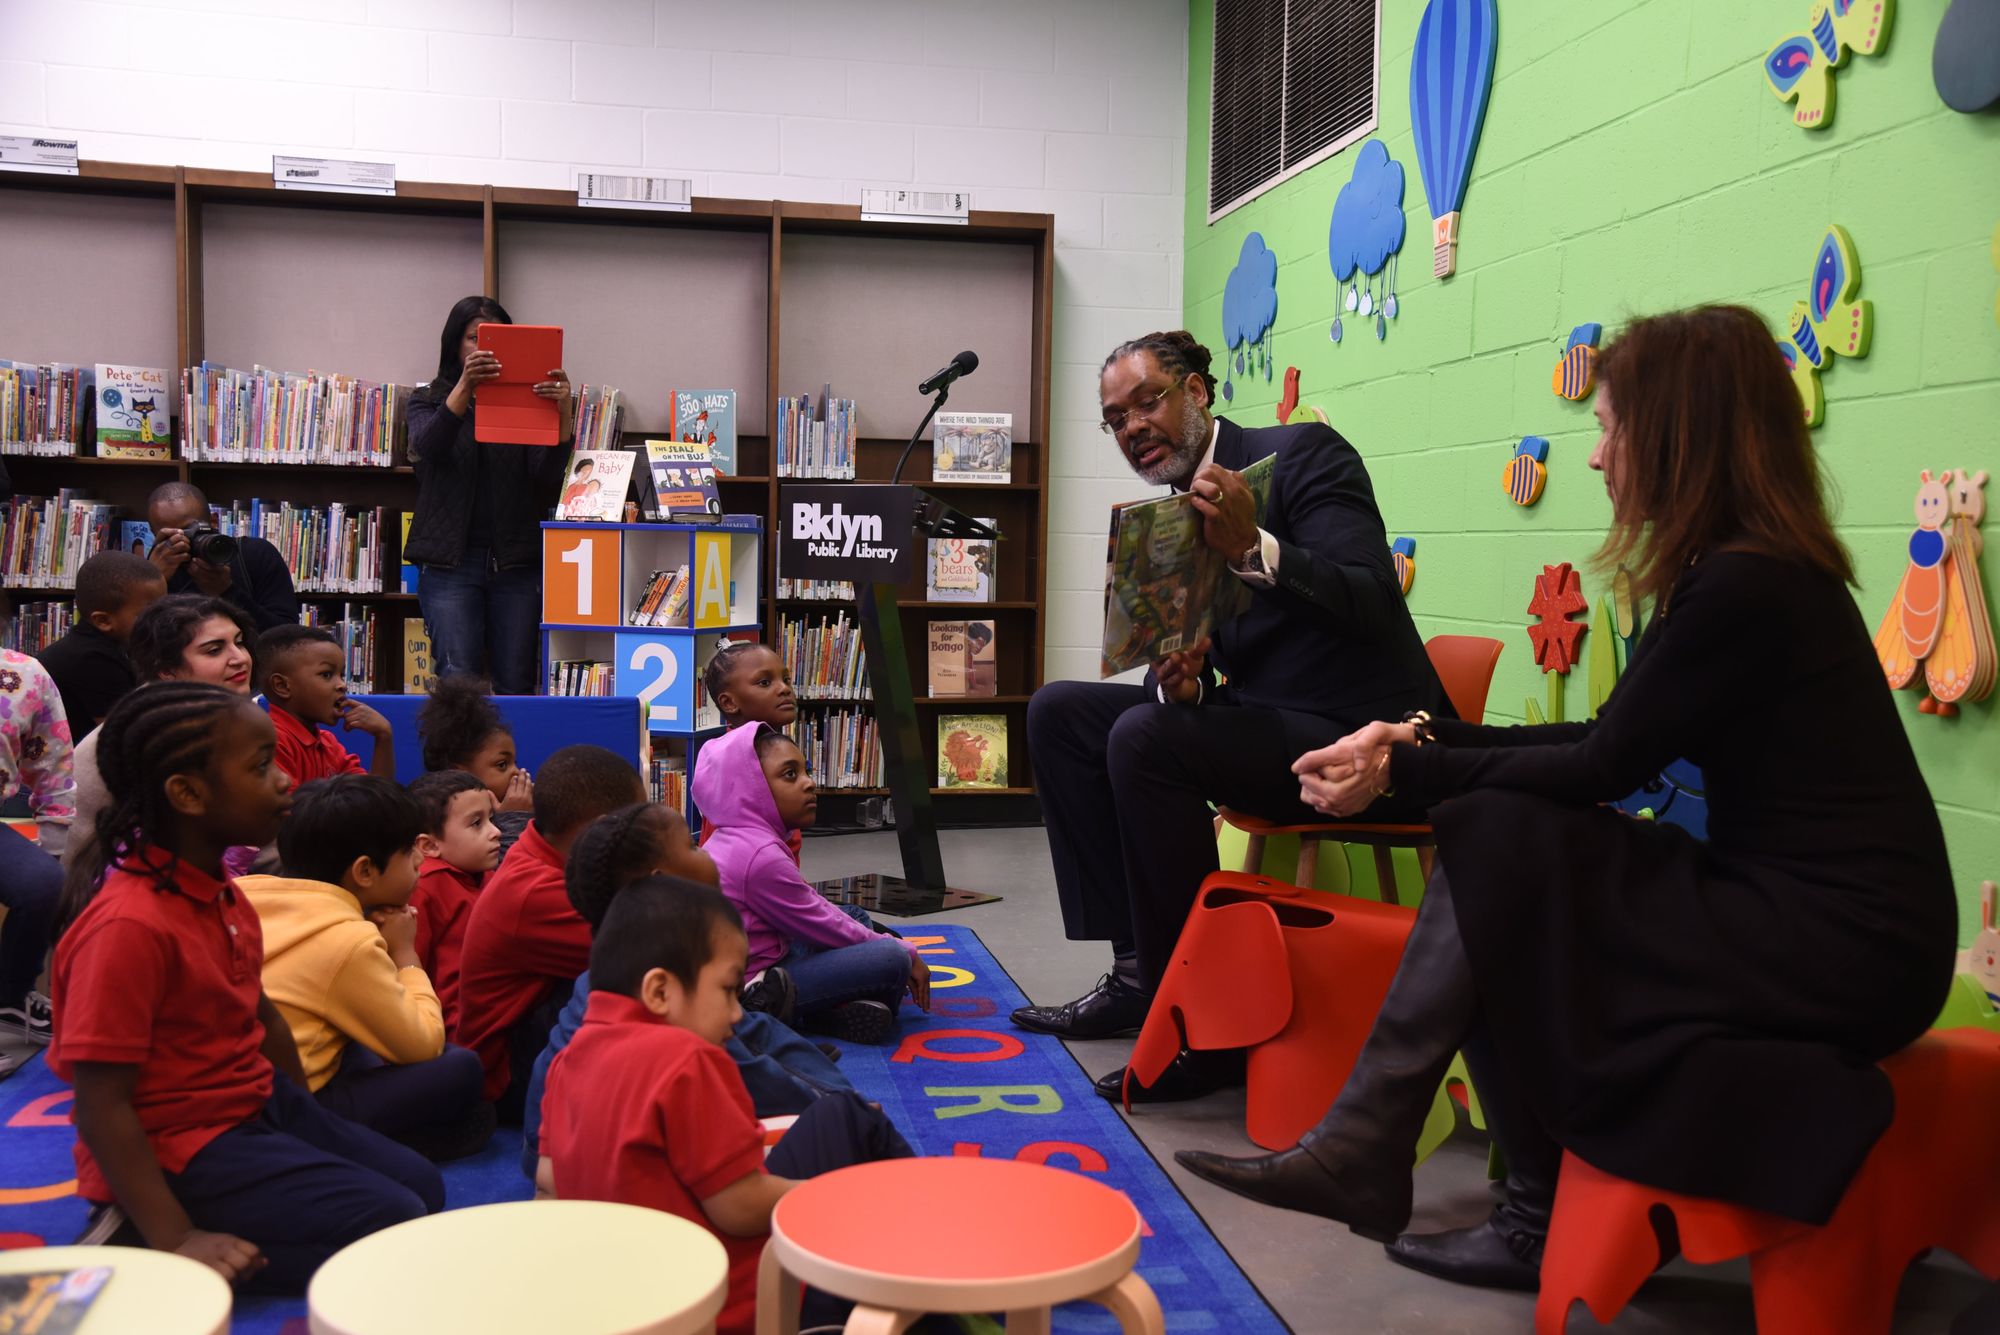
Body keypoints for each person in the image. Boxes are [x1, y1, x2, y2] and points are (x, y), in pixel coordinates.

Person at [1173, 306, 1960, 1295]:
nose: (1595, 459)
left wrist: (1408, 765)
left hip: (1848, 944)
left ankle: (1419, 1170)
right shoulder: (1741, 576)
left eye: (1609, 427)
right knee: (1499, 841)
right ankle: (1428, 1174)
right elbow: (1597, 745)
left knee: (1503, 840)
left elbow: (1598, 764)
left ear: (1673, 436)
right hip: (1790, 907)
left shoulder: (1749, 589)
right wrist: (1415, 741)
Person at [1016, 330, 1449, 1106]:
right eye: (1115, 419)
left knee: (1141, 738)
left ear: (1198, 392)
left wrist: (1255, 545)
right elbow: (1211, 680)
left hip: (1366, 740)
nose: (1132, 426)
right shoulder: (1173, 520)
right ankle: (1138, 974)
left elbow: (1375, 600)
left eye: (1147, 401)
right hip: (1264, 731)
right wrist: (1181, 690)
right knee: (1061, 711)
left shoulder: (1307, 456)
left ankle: (1204, 1025)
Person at [49, 683, 442, 1291]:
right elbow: (101, 1106)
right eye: (261, 767)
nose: (285, 779)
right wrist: (176, 1236)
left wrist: (307, 1129)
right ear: (188, 794)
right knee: (398, 1225)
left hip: (255, 1105)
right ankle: (145, 1242)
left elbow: (263, 1019)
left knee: (423, 1187)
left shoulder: (224, 891)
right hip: (183, 1144)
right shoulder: (128, 926)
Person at [537, 878, 913, 1335]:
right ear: (659, 991)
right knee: (850, 1120)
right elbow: (739, 1207)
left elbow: (549, 1187)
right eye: (728, 990)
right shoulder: (689, 1062)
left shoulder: (567, 1062)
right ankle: (943, 1278)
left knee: (832, 1121)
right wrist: (836, 1198)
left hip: (637, 1306)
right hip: (745, 1305)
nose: (737, 1014)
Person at [517, 801, 851, 1182]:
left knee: (751, 1025)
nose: (705, 851)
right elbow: (774, 1088)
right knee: (754, 1034)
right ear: (664, 882)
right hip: (609, 1168)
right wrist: (843, 1110)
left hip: (542, 1152)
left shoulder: (604, 970)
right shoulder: (680, 1010)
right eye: (693, 847)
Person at [240, 776, 489, 1159]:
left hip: (241, 1092)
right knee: (463, 1068)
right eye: (409, 851)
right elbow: (422, 1045)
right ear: (365, 872)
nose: (421, 860)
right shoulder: (349, 938)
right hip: (292, 1106)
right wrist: (405, 954)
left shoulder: (246, 891)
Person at [692, 723, 929, 1043]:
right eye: (790, 775)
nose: (809, 783)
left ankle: (827, 1010)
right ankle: (787, 1012)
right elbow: (822, 923)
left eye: (806, 771)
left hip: (769, 952)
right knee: (892, 958)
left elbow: (814, 912)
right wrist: (906, 952)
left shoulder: (740, 836)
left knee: (856, 917)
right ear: (750, 788)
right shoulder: (758, 855)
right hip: (755, 983)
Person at [455, 744, 643, 1119]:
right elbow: (651, 951)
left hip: (530, 1036)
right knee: (642, 985)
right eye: (639, 825)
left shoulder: (547, 855)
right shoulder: (536, 892)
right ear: (601, 829)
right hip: (509, 1076)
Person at [403, 295, 574, 695]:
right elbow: (428, 450)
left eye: (493, 340)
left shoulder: (527, 398)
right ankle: (458, 760)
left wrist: (562, 413)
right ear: (454, 345)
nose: (481, 349)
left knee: (515, 679)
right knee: (457, 679)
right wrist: (466, 386)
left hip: (515, 562)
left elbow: (547, 477)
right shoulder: (426, 398)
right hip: (449, 563)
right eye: (472, 339)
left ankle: (511, 759)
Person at [64, 597, 258, 883]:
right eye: (215, 650)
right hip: (118, 888)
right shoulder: (153, 733)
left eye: (239, 642)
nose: (240, 657)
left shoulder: (204, 711)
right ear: (166, 670)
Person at [0, 650, 73, 1058]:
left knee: (43, 882)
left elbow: (54, 760)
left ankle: (11, 1001)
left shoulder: (23, 673)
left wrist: (55, 839)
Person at [405, 769, 503, 1030]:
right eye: (476, 823)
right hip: (454, 1029)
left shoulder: (484, 874)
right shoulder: (424, 887)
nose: (495, 832)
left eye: (492, 819)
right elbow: (411, 970)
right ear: (429, 846)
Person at [35, 550, 165, 733]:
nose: (163, 619)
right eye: (151, 613)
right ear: (103, 621)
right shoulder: (90, 659)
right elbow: (128, 733)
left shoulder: (108, 644)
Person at [145, 483, 300, 633]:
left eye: (190, 529)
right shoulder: (154, 568)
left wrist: (227, 591)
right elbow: (137, 642)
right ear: (154, 534)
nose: (183, 540)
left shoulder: (254, 555)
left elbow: (285, 637)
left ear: (213, 521)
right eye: (171, 535)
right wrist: (154, 581)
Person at [694, 641, 801, 859]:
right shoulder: (731, 760)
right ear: (729, 702)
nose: (784, 688)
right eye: (764, 682)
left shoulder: (773, 748)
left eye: (786, 679)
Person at [257, 624, 396, 783]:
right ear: (282, 686)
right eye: (326, 674)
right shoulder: (271, 743)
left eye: (341, 675)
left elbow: (375, 802)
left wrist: (383, 736)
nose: (342, 685)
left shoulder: (328, 743)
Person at [415, 674, 533, 857]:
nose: (517, 773)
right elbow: (501, 880)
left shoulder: (523, 810)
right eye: (502, 765)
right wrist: (514, 819)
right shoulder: (445, 824)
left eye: (514, 763)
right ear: (458, 772)